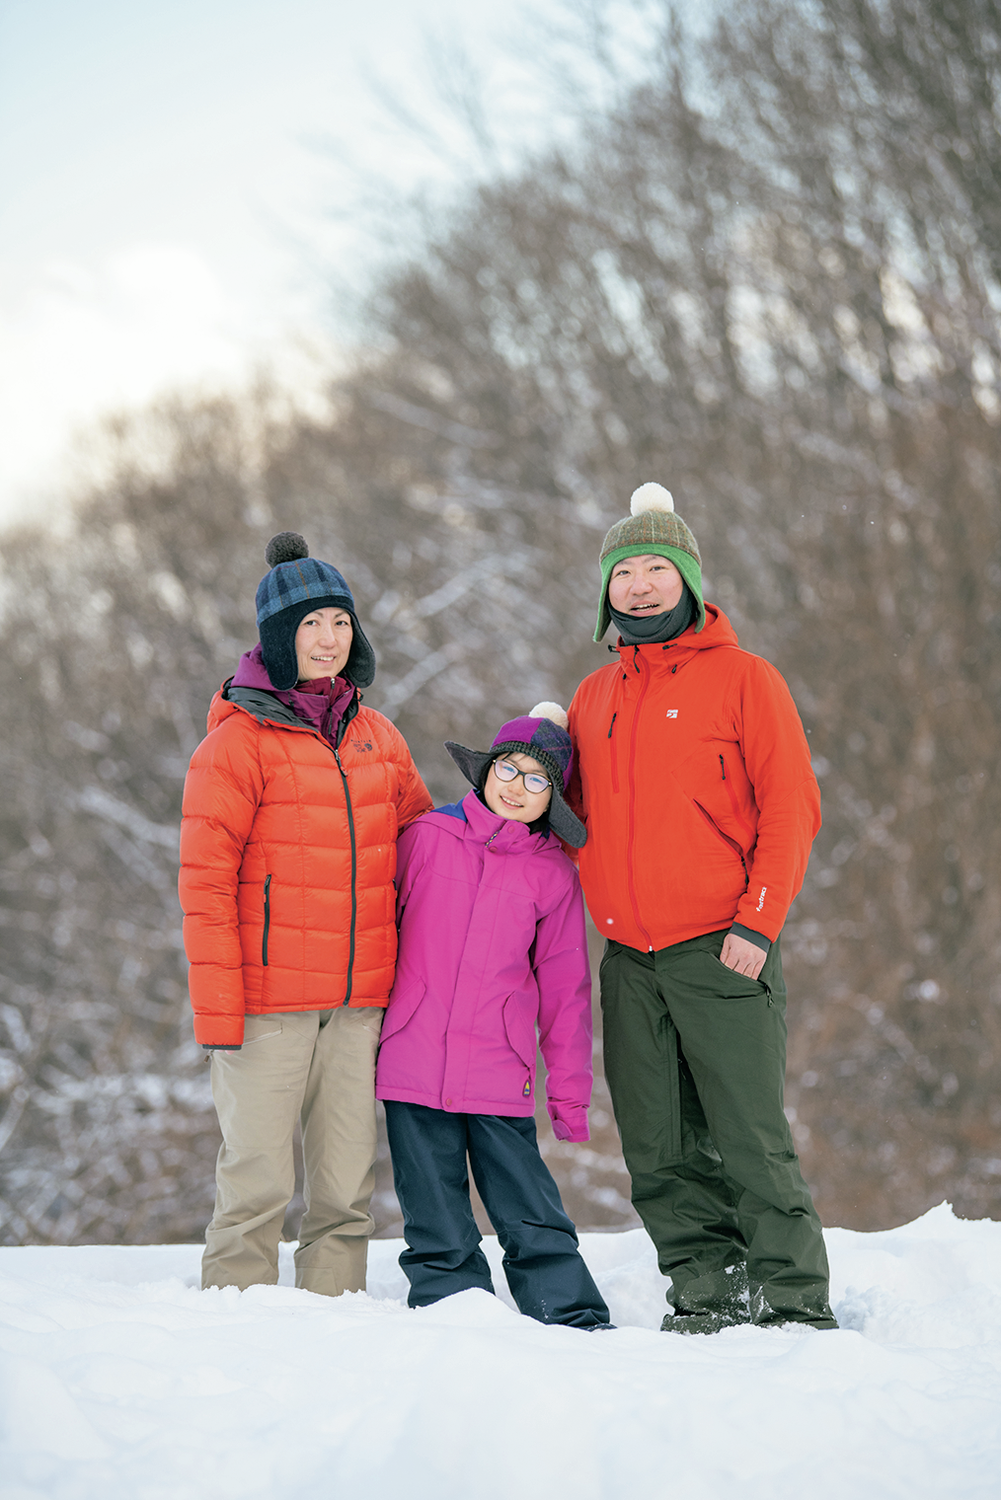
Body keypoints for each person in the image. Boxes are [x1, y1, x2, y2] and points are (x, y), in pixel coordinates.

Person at [566, 483, 837, 1333]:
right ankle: (707, 1289)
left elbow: (792, 808)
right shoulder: (592, 697)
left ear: (686, 580)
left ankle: (792, 1297)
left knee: (748, 1133)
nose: (639, 585)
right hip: (626, 960)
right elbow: (559, 811)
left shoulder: (745, 680)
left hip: (722, 946)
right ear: (605, 588)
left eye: (656, 568)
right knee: (657, 1145)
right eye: (624, 572)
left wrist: (757, 922)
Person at [179, 531, 433, 1295]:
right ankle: (233, 1317)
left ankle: (336, 1313)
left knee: (344, 1189)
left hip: (357, 1005)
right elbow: (205, 883)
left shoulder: (378, 737)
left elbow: (423, 852)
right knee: (256, 1182)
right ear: (278, 636)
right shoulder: (236, 745)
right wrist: (219, 1015)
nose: (328, 639)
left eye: (340, 623)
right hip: (267, 1007)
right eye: (311, 624)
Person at [375, 704, 612, 1329]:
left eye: (538, 781)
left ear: (552, 799)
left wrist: (570, 1098)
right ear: (486, 771)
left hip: (498, 1069)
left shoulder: (554, 876)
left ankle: (569, 1312)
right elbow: (375, 932)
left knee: (527, 1204)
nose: (518, 786)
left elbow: (566, 996)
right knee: (431, 1205)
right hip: (413, 1056)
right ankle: (452, 1309)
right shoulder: (426, 837)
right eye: (510, 768)